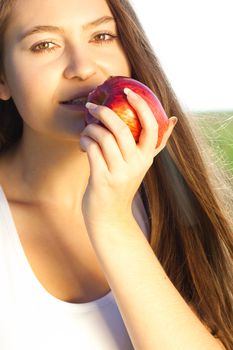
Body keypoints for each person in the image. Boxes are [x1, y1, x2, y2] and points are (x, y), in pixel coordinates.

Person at [0, 0, 232, 349]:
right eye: (44, 44)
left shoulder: (172, 204)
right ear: (2, 78)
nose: (83, 67)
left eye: (102, 35)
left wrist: (111, 220)